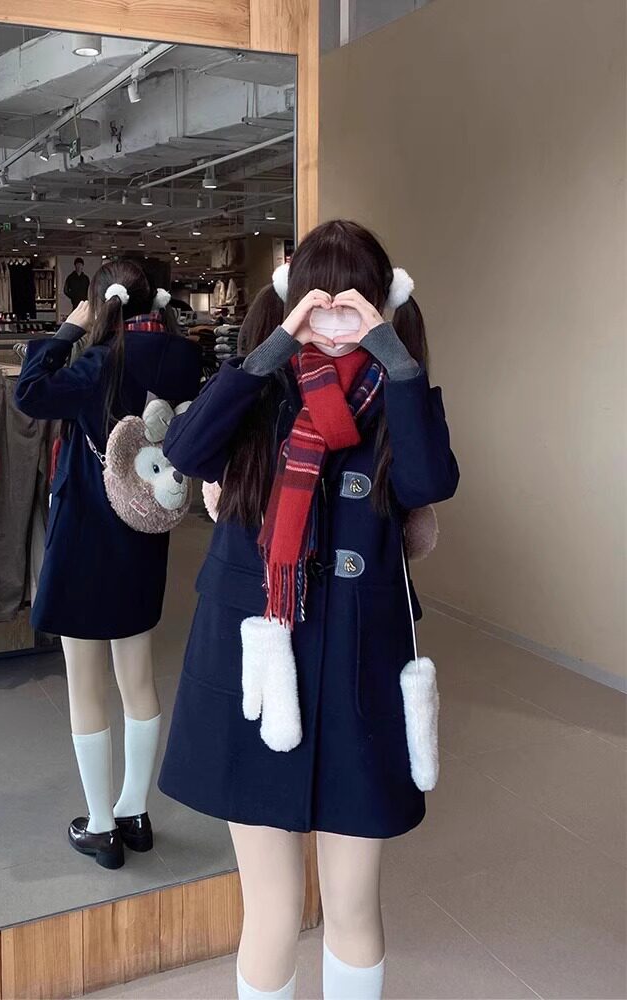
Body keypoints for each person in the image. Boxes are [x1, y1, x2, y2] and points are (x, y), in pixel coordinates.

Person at [158, 220, 459, 999]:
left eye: (349, 301)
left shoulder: (398, 394)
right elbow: (186, 452)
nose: (331, 317)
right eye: (316, 301)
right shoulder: (260, 388)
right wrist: (271, 347)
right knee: (271, 909)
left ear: (382, 303)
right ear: (292, 302)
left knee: (353, 907)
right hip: (258, 669)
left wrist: (393, 354)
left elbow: (428, 482)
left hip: (359, 666)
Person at [15, 260, 202, 870]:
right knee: (138, 678)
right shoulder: (182, 357)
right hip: (142, 537)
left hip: (85, 539)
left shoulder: (99, 363)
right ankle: (135, 813)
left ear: (103, 303)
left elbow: (29, 393)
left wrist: (69, 330)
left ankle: (100, 827)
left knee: (85, 683)